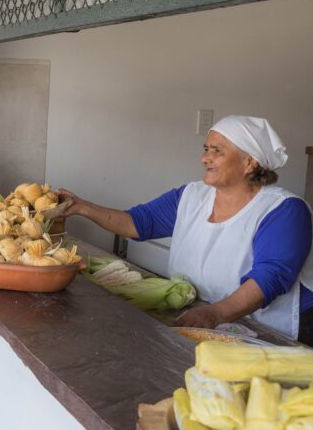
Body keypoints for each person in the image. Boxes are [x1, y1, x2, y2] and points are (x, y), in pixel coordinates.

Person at [61, 115, 313, 341]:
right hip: (208, 315)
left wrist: (216, 313)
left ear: (250, 163)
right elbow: (137, 223)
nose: (205, 158)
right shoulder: (192, 196)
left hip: (273, 331)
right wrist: (82, 207)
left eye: (217, 151)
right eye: (206, 149)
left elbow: (269, 278)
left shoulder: (283, 209)